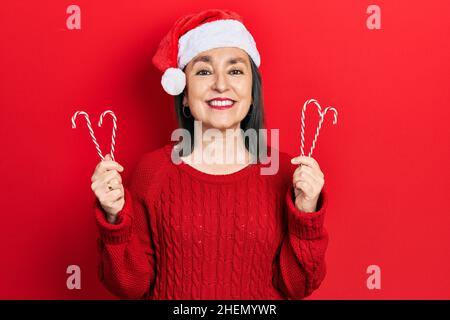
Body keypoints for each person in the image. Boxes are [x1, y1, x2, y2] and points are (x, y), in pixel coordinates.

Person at [91, 8, 328, 300]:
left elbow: (297, 286)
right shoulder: (152, 171)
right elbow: (130, 286)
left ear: (252, 92)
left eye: (235, 70)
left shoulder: (282, 172)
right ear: (185, 95)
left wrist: (306, 213)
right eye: (204, 71)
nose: (220, 84)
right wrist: (115, 221)